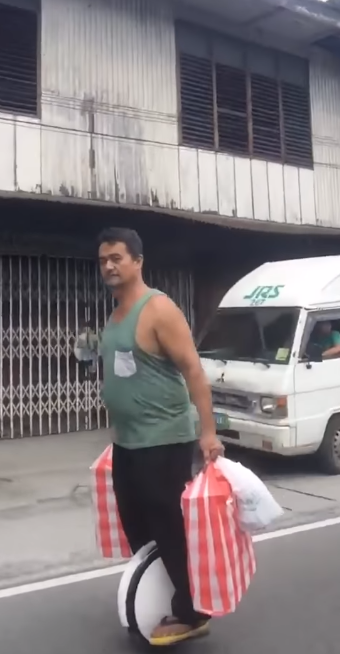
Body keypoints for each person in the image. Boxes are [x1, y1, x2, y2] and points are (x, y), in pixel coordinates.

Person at [97, 227, 224, 647]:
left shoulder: (158, 310)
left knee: (169, 526)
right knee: (138, 525)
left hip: (165, 440)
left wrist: (208, 432)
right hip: (129, 443)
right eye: (103, 260)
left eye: (117, 257)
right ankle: (161, 596)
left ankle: (193, 612)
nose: (109, 266)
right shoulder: (115, 316)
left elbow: (193, 371)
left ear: (137, 261)